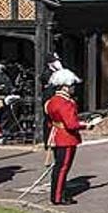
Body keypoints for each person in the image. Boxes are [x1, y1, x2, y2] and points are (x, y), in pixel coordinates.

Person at [43, 68, 84, 205]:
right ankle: (58, 197)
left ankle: (58, 194)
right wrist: (85, 125)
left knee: (59, 167)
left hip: (56, 135)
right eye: (71, 86)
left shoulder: (52, 100)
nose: (73, 88)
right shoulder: (66, 103)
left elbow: (50, 120)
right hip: (66, 138)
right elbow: (71, 124)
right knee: (63, 168)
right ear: (65, 87)